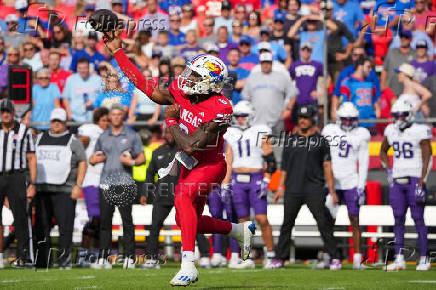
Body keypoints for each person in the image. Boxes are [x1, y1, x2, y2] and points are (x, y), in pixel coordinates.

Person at [103, 28, 255, 286]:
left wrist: (171, 120)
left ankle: (188, 265)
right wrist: (118, 52)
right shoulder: (182, 91)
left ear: (210, 82)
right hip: (189, 164)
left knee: (182, 196)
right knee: (183, 219)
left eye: (195, 75)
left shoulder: (221, 108)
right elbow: (143, 84)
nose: (187, 77)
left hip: (211, 164)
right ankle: (238, 231)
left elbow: (193, 146)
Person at [271, 105, 341, 270]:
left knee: (323, 223)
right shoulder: (290, 140)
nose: (302, 121)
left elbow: (327, 166)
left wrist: (331, 191)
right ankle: (280, 259)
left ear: (312, 119)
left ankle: (335, 258)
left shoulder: (321, 141)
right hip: (292, 189)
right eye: (300, 118)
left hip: (314, 189)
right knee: (287, 224)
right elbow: (285, 167)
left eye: (306, 118)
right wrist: (280, 187)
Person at [89, 104, 146, 270]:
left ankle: (129, 258)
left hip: (124, 183)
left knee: (127, 222)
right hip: (106, 182)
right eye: (112, 114)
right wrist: (94, 160)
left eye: (118, 114)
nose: (115, 117)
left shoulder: (132, 135)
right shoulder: (103, 136)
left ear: (122, 116)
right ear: (109, 117)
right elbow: (93, 158)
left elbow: (142, 157)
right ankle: (104, 258)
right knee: (105, 223)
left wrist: (133, 162)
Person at [222, 101, 277, 269]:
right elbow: (229, 159)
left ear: (250, 116)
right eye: (237, 116)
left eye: (243, 116)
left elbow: (271, 160)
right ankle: (247, 256)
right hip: (238, 178)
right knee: (244, 220)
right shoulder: (230, 133)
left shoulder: (260, 131)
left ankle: (271, 256)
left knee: (262, 218)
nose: (240, 120)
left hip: (256, 177)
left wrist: (266, 179)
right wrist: (225, 182)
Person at [380, 99, 433, 271]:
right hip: (398, 180)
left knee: (418, 219)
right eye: (396, 115)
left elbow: (428, 157)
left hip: (414, 179)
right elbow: (382, 150)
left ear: (409, 115)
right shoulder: (391, 130)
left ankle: (424, 258)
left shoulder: (419, 130)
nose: (399, 119)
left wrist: (422, 181)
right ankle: (399, 258)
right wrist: (388, 169)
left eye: (402, 115)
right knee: (398, 219)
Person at [34, 108, 87, 269]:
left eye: (60, 121)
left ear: (65, 123)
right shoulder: (38, 138)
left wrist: (78, 185)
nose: (56, 124)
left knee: (65, 228)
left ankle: (64, 261)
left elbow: (83, 162)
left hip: (65, 189)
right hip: (42, 190)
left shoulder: (73, 141)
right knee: (41, 228)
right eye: (54, 121)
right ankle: (43, 261)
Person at [320, 102, 369, 270]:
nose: (348, 123)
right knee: (328, 221)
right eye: (345, 119)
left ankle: (357, 258)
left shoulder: (361, 134)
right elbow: (323, 158)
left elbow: (363, 163)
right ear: (339, 118)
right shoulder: (329, 131)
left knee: (355, 219)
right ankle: (328, 256)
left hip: (351, 182)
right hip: (332, 182)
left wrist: (361, 187)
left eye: (351, 119)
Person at [0, 99, 36, 268]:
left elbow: (31, 157)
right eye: (2, 111)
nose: (5, 114)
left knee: (20, 217)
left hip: (16, 176)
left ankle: (24, 257)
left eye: (8, 111)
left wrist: (33, 183)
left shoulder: (24, 131)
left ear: (13, 112)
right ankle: (0, 255)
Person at [76, 108, 110, 267]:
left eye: (108, 120)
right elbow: (80, 140)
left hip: (107, 181)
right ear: (97, 120)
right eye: (103, 120)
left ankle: (97, 255)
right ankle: (83, 253)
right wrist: (83, 141)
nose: (106, 123)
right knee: (95, 217)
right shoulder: (90, 129)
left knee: (103, 219)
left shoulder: (113, 133)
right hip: (91, 179)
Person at [339, 57, 379, 134]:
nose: (370, 70)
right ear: (360, 66)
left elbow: (374, 100)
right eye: (368, 67)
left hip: (371, 122)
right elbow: (343, 103)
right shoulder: (347, 82)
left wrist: (377, 111)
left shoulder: (370, 82)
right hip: (355, 123)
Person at [288, 42, 323, 125]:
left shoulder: (318, 65)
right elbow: (288, 80)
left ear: (311, 51)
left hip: (312, 101)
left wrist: (322, 92)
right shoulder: (294, 65)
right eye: (303, 49)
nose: (306, 52)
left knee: (314, 126)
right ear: (300, 51)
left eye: (308, 50)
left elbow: (327, 79)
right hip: (297, 101)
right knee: (297, 126)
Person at [63, 58, 102, 122]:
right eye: (80, 68)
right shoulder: (70, 80)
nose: (82, 70)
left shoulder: (97, 79)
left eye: (84, 68)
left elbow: (102, 96)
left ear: (88, 68)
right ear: (77, 68)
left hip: (93, 117)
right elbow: (65, 98)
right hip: (75, 117)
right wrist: (69, 114)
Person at [381, 30, 416, 96]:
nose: (403, 39)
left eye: (406, 37)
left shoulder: (415, 54)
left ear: (411, 39)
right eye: (401, 37)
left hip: (408, 92)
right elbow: (384, 70)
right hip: (391, 91)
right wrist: (383, 86)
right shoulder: (391, 52)